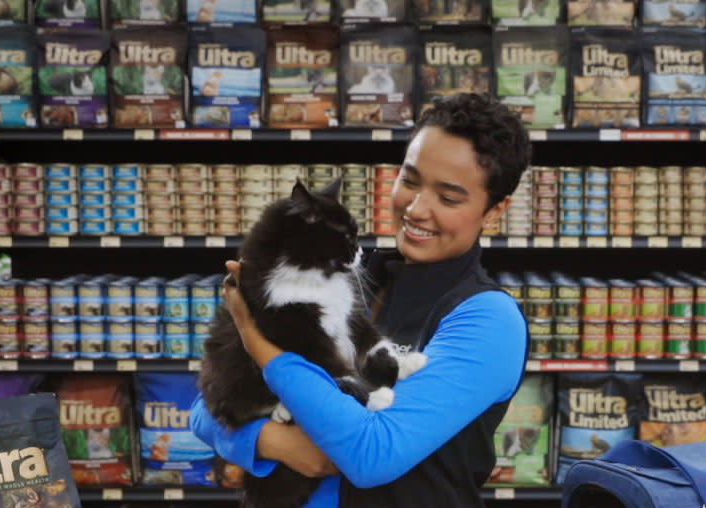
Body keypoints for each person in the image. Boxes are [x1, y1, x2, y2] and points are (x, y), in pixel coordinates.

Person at [190, 92, 531, 507]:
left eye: (448, 197)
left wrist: (255, 339)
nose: (417, 208)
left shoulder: (487, 319)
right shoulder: (345, 278)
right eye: (409, 180)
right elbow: (204, 410)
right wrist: (270, 440)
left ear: (494, 211)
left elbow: (371, 454)